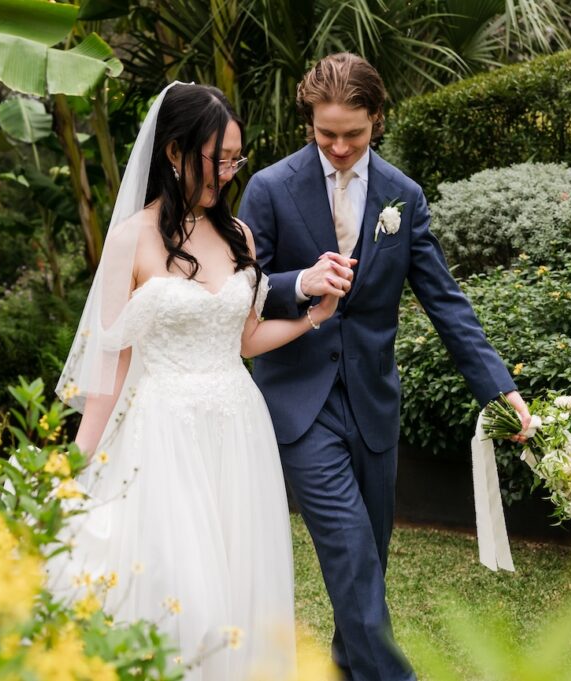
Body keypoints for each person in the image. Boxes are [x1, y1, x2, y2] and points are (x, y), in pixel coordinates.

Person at [238, 53, 531, 681]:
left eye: (354, 133)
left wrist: (498, 390)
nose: (340, 148)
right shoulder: (268, 188)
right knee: (351, 555)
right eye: (327, 134)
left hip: (373, 406)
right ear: (309, 122)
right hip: (300, 404)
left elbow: (445, 301)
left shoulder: (404, 196)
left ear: (377, 118)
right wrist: (300, 282)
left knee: (368, 561)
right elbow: (239, 289)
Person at [54, 83, 344, 680]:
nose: (228, 172)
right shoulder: (131, 239)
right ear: (174, 152)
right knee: (185, 591)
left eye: (236, 159)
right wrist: (76, 460)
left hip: (239, 429)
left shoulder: (238, 234)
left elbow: (245, 340)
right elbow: (112, 366)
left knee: (242, 583)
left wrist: (312, 317)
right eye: (218, 159)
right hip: (165, 436)